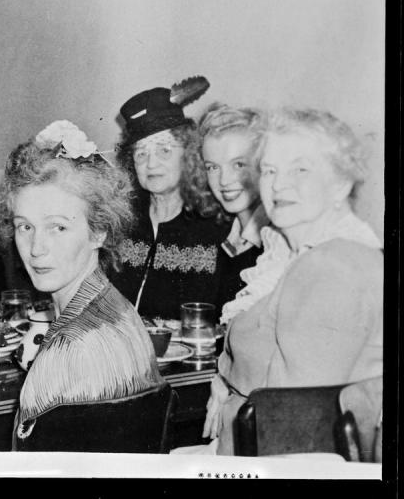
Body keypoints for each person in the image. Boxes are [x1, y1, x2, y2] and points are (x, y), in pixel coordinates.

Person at [202, 108, 383, 455]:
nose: (280, 184)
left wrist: (230, 383)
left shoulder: (335, 266)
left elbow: (295, 423)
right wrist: (225, 378)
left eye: (300, 169)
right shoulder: (294, 253)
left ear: (341, 183)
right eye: (270, 170)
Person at [0, 121, 165, 448]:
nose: (36, 248)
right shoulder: (118, 309)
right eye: (24, 227)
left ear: (98, 231)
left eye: (58, 228)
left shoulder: (68, 350)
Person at [111, 77, 231, 320]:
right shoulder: (121, 221)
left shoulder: (217, 223)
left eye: (164, 150)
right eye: (141, 153)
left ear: (188, 153)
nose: (151, 163)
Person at [198, 103, 272, 323]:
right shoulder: (227, 237)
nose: (223, 181)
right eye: (212, 167)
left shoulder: (278, 245)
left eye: (238, 165)